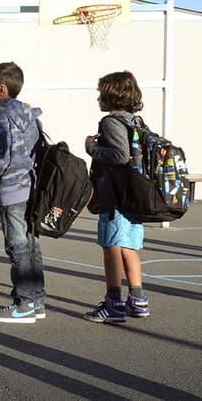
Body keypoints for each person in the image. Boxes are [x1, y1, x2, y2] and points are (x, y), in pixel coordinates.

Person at [83, 71, 150, 323]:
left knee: (111, 246)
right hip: (134, 194)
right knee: (130, 246)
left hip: (115, 198)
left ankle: (114, 302)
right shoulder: (137, 122)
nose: (98, 98)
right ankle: (138, 299)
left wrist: (91, 147)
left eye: (101, 93)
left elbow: (120, 155)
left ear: (111, 95)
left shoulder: (111, 122)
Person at [0, 61, 45, 324]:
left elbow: (2, 158)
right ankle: (37, 300)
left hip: (11, 189)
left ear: (2, 89)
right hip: (31, 187)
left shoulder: (0, 117)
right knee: (31, 245)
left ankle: (24, 304)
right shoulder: (30, 115)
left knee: (16, 246)